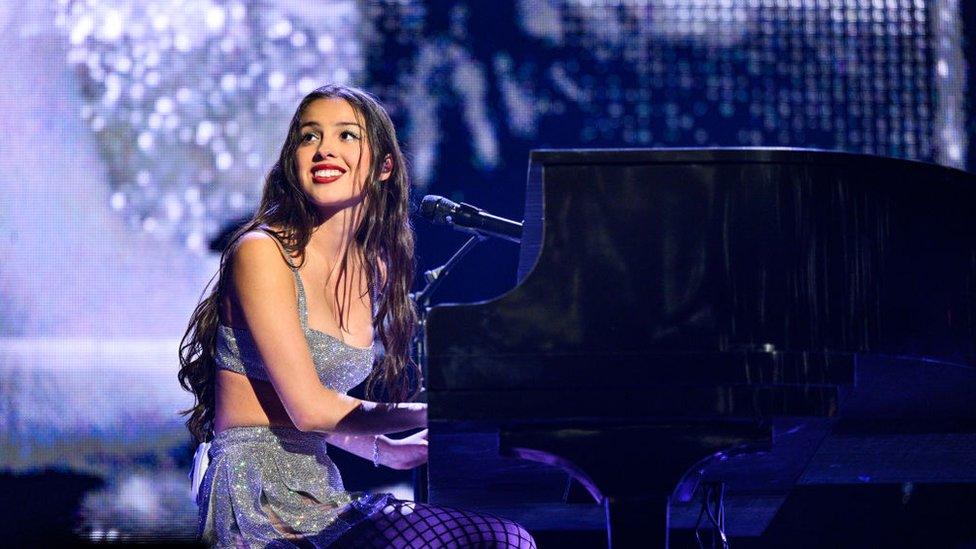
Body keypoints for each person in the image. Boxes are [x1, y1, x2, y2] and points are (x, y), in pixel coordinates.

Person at [178, 84, 535, 548]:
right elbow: (309, 410)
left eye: (347, 135)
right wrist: (441, 411)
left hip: (317, 487)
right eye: (309, 137)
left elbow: (290, 405)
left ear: (384, 166)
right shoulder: (262, 253)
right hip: (258, 498)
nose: (324, 148)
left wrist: (384, 449)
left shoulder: (373, 269)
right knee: (502, 541)